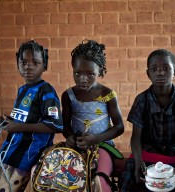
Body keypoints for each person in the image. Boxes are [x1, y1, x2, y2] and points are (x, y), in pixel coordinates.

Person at [120, 49, 175, 192]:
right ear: (148, 74)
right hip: (147, 151)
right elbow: (136, 138)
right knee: (127, 181)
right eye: (154, 69)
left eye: (166, 68)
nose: (160, 73)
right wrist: (138, 161)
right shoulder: (141, 100)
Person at [0, 40, 63, 192]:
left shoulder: (46, 91)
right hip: (11, 152)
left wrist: (18, 126)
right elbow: (24, 120)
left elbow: (55, 124)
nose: (28, 66)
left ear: (45, 65)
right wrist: (8, 122)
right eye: (23, 62)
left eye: (35, 62)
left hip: (27, 157)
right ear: (17, 64)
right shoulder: (23, 90)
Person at [61, 39, 124, 192]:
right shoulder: (68, 95)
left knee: (100, 180)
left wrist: (96, 139)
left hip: (102, 146)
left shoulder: (107, 94)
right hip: (77, 146)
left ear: (100, 71)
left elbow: (119, 127)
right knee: (68, 179)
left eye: (90, 74)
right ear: (72, 69)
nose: (83, 79)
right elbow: (65, 126)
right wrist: (71, 137)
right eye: (78, 73)